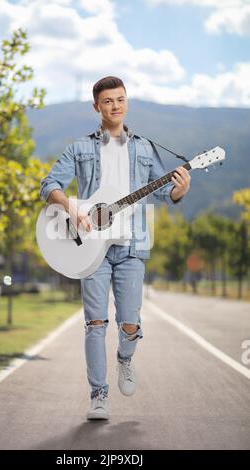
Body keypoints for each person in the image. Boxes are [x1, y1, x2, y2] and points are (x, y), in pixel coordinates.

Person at [39, 76, 191, 420]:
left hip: (132, 247)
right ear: (97, 106)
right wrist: (72, 208)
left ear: (127, 101)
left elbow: (164, 192)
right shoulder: (79, 147)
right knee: (95, 323)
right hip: (91, 248)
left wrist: (180, 189)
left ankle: (124, 359)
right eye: (108, 101)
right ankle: (98, 394)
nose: (115, 105)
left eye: (120, 99)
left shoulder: (144, 148)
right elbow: (49, 184)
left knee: (130, 324)